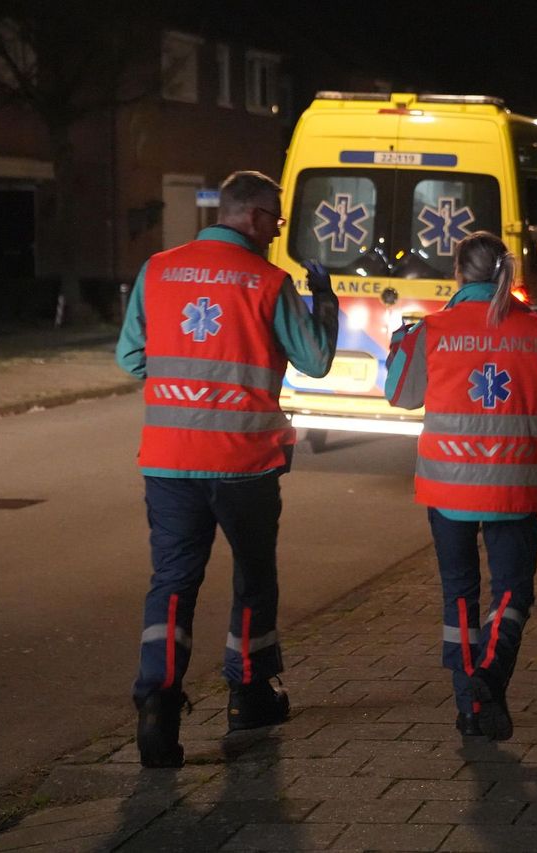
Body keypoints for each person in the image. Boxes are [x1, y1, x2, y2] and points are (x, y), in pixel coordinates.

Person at [115, 170, 338, 768]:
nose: (276, 231)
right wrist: (325, 304)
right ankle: (248, 695)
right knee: (252, 578)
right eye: (276, 220)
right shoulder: (267, 282)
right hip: (244, 464)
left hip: (169, 462)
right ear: (254, 216)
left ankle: (158, 704)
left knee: (173, 583)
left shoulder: (158, 269)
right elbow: (315, 362)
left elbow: (131, 356)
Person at [384, 231, 537, 741]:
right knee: (513, 592)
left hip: (448, 487)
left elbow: (400, 397)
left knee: (461, 596)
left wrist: (398, 349)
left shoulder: (432, 330)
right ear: (503, 273)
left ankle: (470, 705)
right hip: (514, 485)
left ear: (458, 273)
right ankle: (489, 676)